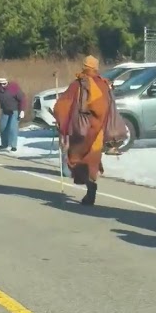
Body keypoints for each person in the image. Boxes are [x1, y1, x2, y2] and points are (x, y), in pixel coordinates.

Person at [52, 55, 114, 206]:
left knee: (77, 159)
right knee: (93, 159)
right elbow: (110, 108)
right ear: (96, 67)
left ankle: (90, 186)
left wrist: (59, 119)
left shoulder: (77, 84)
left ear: (84, 66)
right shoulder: (104, 84)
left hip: (81, 131)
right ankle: (91, 184)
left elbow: (63, 106)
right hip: (97, 131)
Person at [0, 76, 26, 151]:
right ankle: (4, 144)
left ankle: (13, 146)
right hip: (5, 110)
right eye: (1, 84)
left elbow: (22, 99)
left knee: (12, 128)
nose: (2, 85)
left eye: (4, 83)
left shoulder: (13, 88)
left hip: (14, 110)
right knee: (3, 128)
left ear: (7, 82)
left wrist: (22, 110)